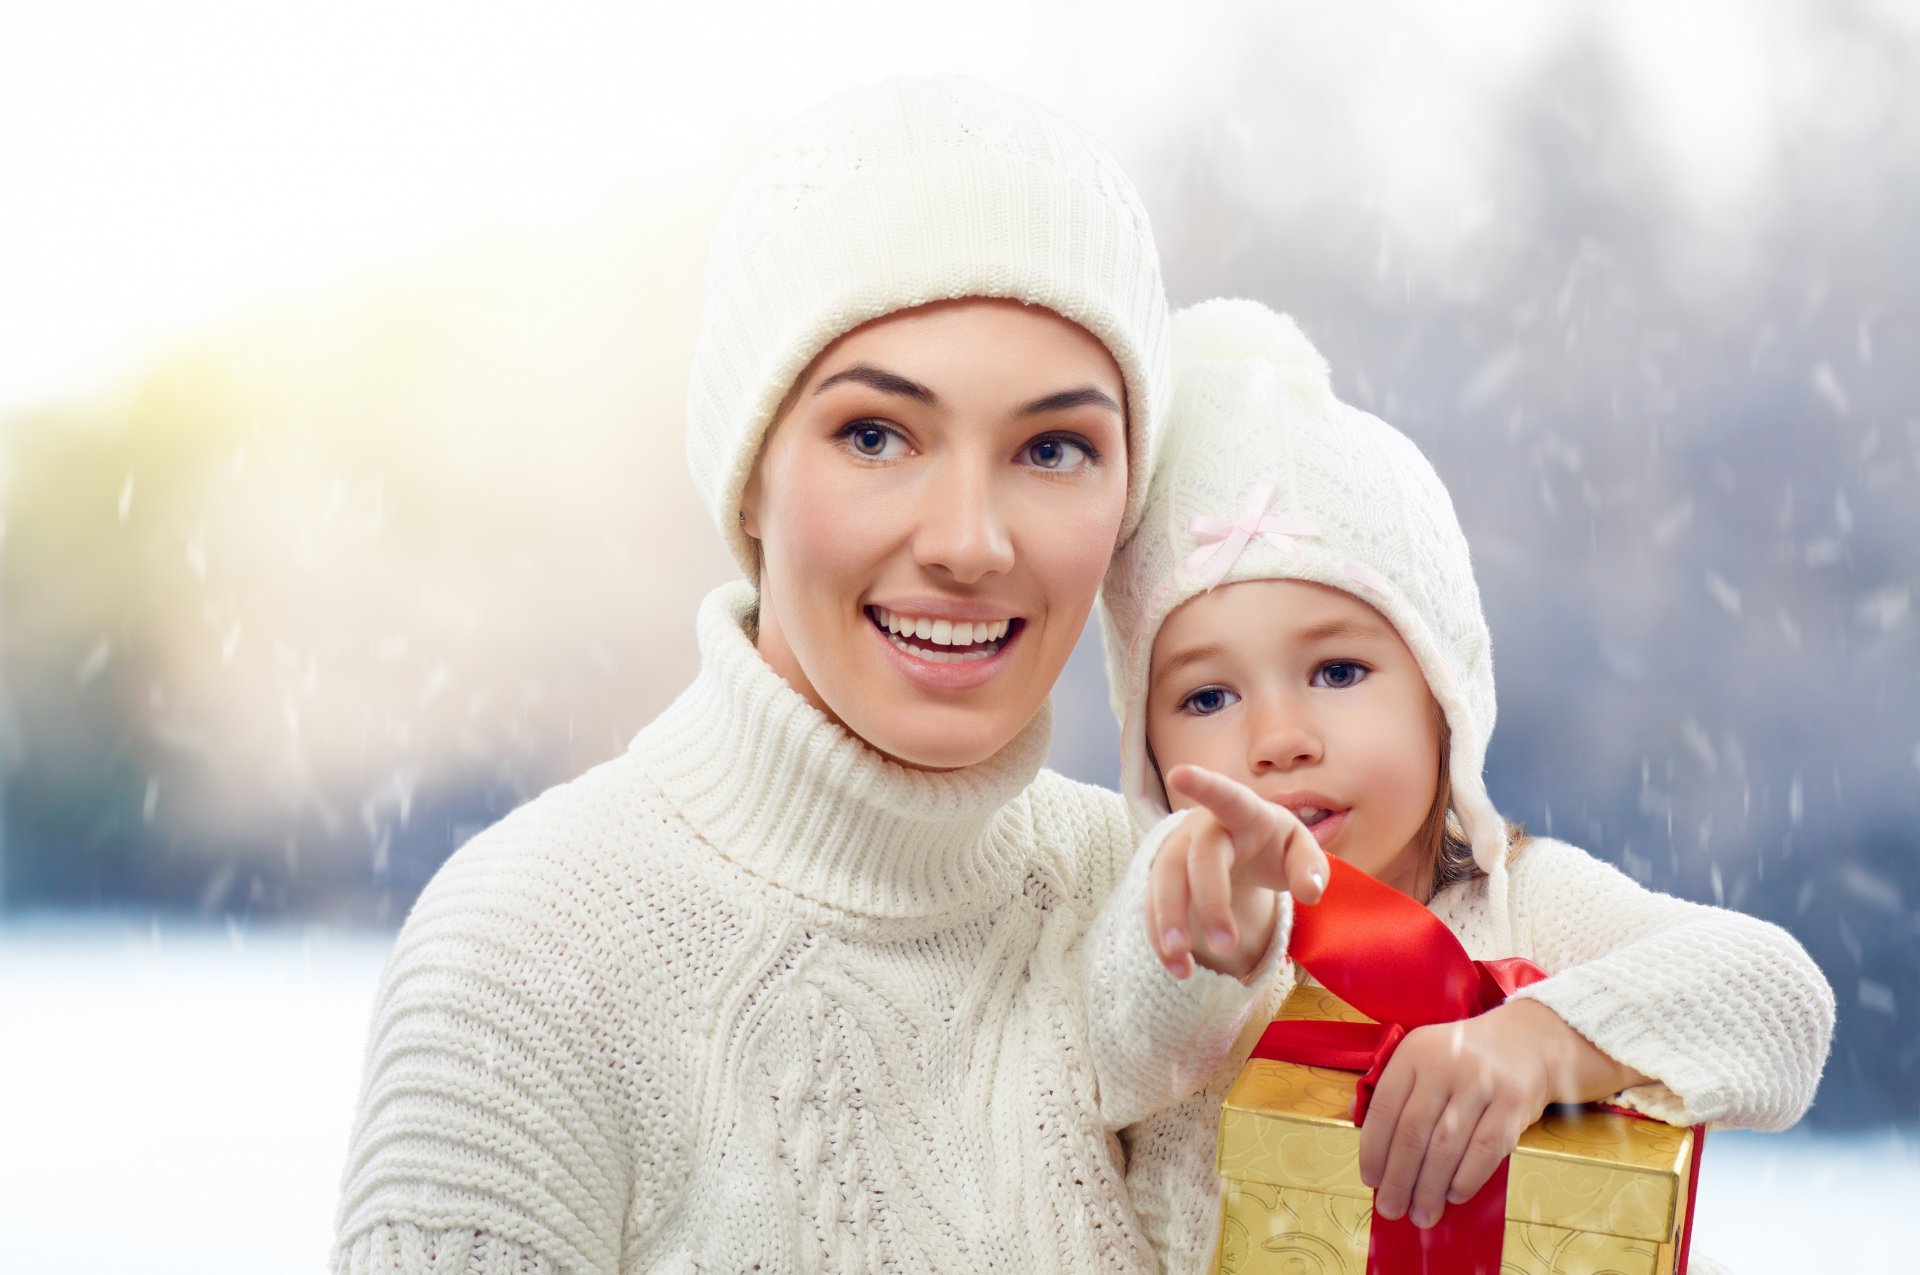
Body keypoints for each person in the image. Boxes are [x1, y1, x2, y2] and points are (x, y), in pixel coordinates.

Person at [332, 79, 1286, 1274]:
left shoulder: (1163, 912)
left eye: (1054, 449)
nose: (969, 541)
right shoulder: (524, 960)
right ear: (748, 474)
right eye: (877, 435)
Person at [1098, 298, 1836, 1270]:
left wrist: (1539, 1041)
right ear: (1147, 755)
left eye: (1337, 673)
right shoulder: (1147, 935)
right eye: (1207, 696)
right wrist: (1189, 953)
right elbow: (1110, 1052)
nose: (1277, 739)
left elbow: (1783, 1003)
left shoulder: (1520, 904)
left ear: (1445, 699)